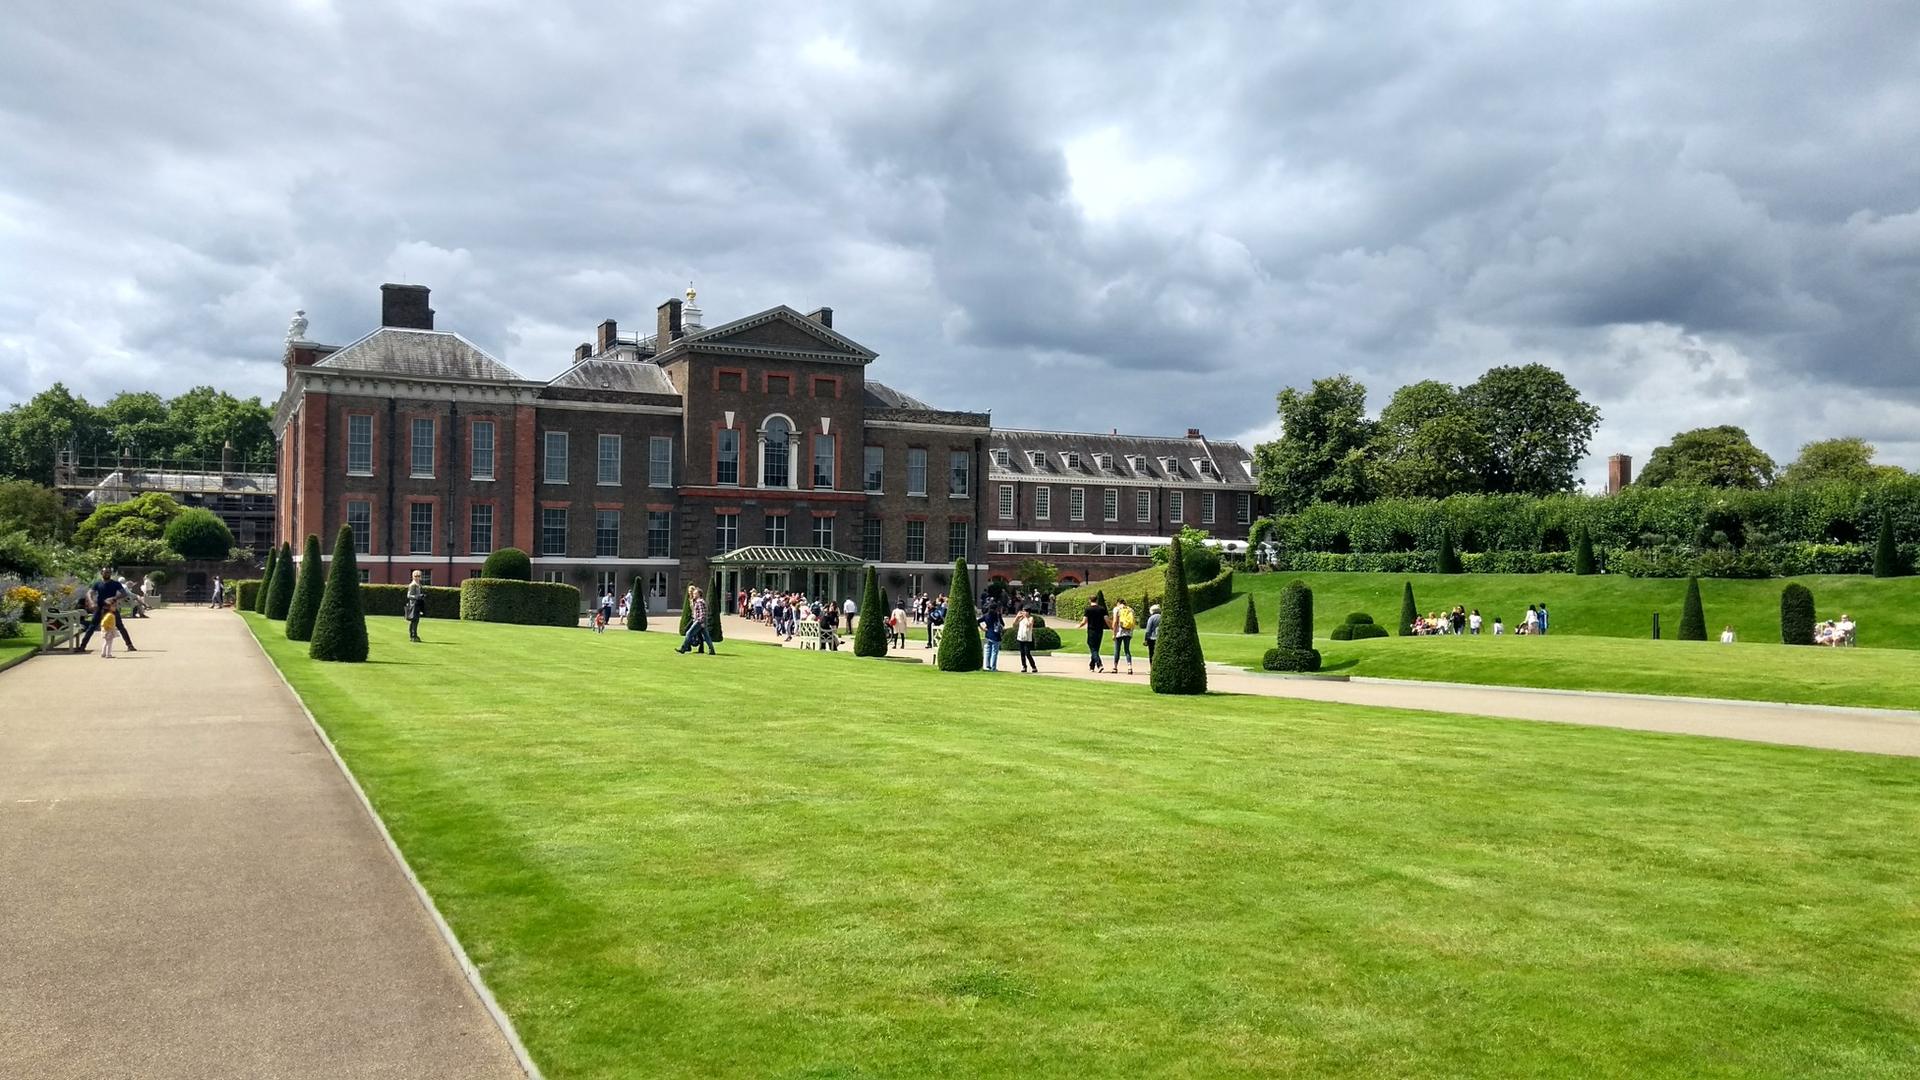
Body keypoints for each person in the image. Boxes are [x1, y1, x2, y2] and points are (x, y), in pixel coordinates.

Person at [78, 567, 134, 653]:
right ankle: (82, 646)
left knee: (120, 626)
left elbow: (124, 593)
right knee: (92, 627)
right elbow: (89, 593)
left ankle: (130, 645)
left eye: (108, 572)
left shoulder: (115, 584)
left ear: (110, 574)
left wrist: (114, 598)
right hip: (100, 607)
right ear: (101, 573)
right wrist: (91, 602)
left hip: (111, 607)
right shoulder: (97, 584)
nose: (106, 574)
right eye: (105, 572)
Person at [1078, 592, 1109, 673]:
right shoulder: (1102, 609)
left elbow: (1084, 621)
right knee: (1096, 649)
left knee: (1093, 648)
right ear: (1097, 600)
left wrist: (1078, 626)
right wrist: (1112, 627)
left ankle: (1099, 664)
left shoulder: (1088, 609)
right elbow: (1107, 620)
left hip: (1091, 631)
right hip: (1100, 631)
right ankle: (1092, 666)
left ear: (1089, 600)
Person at [677, 586, 713, 654]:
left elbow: (702, 613)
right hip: (699, 621)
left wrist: (701, 622)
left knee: (688, 633)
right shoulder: (699, 601)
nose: (693, 594)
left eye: (695, 593)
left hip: (699, 621)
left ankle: (683, 648)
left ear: (699, 594)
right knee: (706, 636)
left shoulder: (699, 602)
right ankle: (712, 650)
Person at [1110, 597, 1136, 674]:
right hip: (1128, 632)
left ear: (1118, 602)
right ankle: (1129, 667)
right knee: (1127, 650)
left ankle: (1115, 667)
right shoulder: (1131, 610)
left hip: (1119, 632)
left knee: (1117, 650)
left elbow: (1115, 622)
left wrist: (1114, 633)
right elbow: (1133, 622)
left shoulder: (1116, 609)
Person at [980, 601, 1004, 671]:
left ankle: (987, 666)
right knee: (994, 652)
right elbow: (1002, 624)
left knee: (987, 651)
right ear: (996, 608)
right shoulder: (997, 615)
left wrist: (982, 628)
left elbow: (978, 621)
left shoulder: (986, 615)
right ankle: (993, 667)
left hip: (988, 634)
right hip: (996, 635)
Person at [1014, 607, 1037, 673]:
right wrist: (1017, 617)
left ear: (1028, 612)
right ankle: (1024, 666)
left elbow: (1029, 625)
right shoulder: (1021, 618)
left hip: (1027, 638)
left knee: (1027, 653)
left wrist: (1026, 617)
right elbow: (1014, 624)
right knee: (1022, 653)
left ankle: (1033, 667)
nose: (1023, 612)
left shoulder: (1031, 618)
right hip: (1020, 637)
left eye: (1025, 611)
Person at [406, 570, 426, 642]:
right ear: (413, 577)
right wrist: (418, 596)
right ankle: (413, 635)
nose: (417, 578)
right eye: (416, 576)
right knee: (414, 620)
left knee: (415, 621)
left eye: (419, 576)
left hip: (418, 604)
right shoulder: (413, 585)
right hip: (413, 604)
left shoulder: (419, 585)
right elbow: (409, 596)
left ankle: (414, 635)